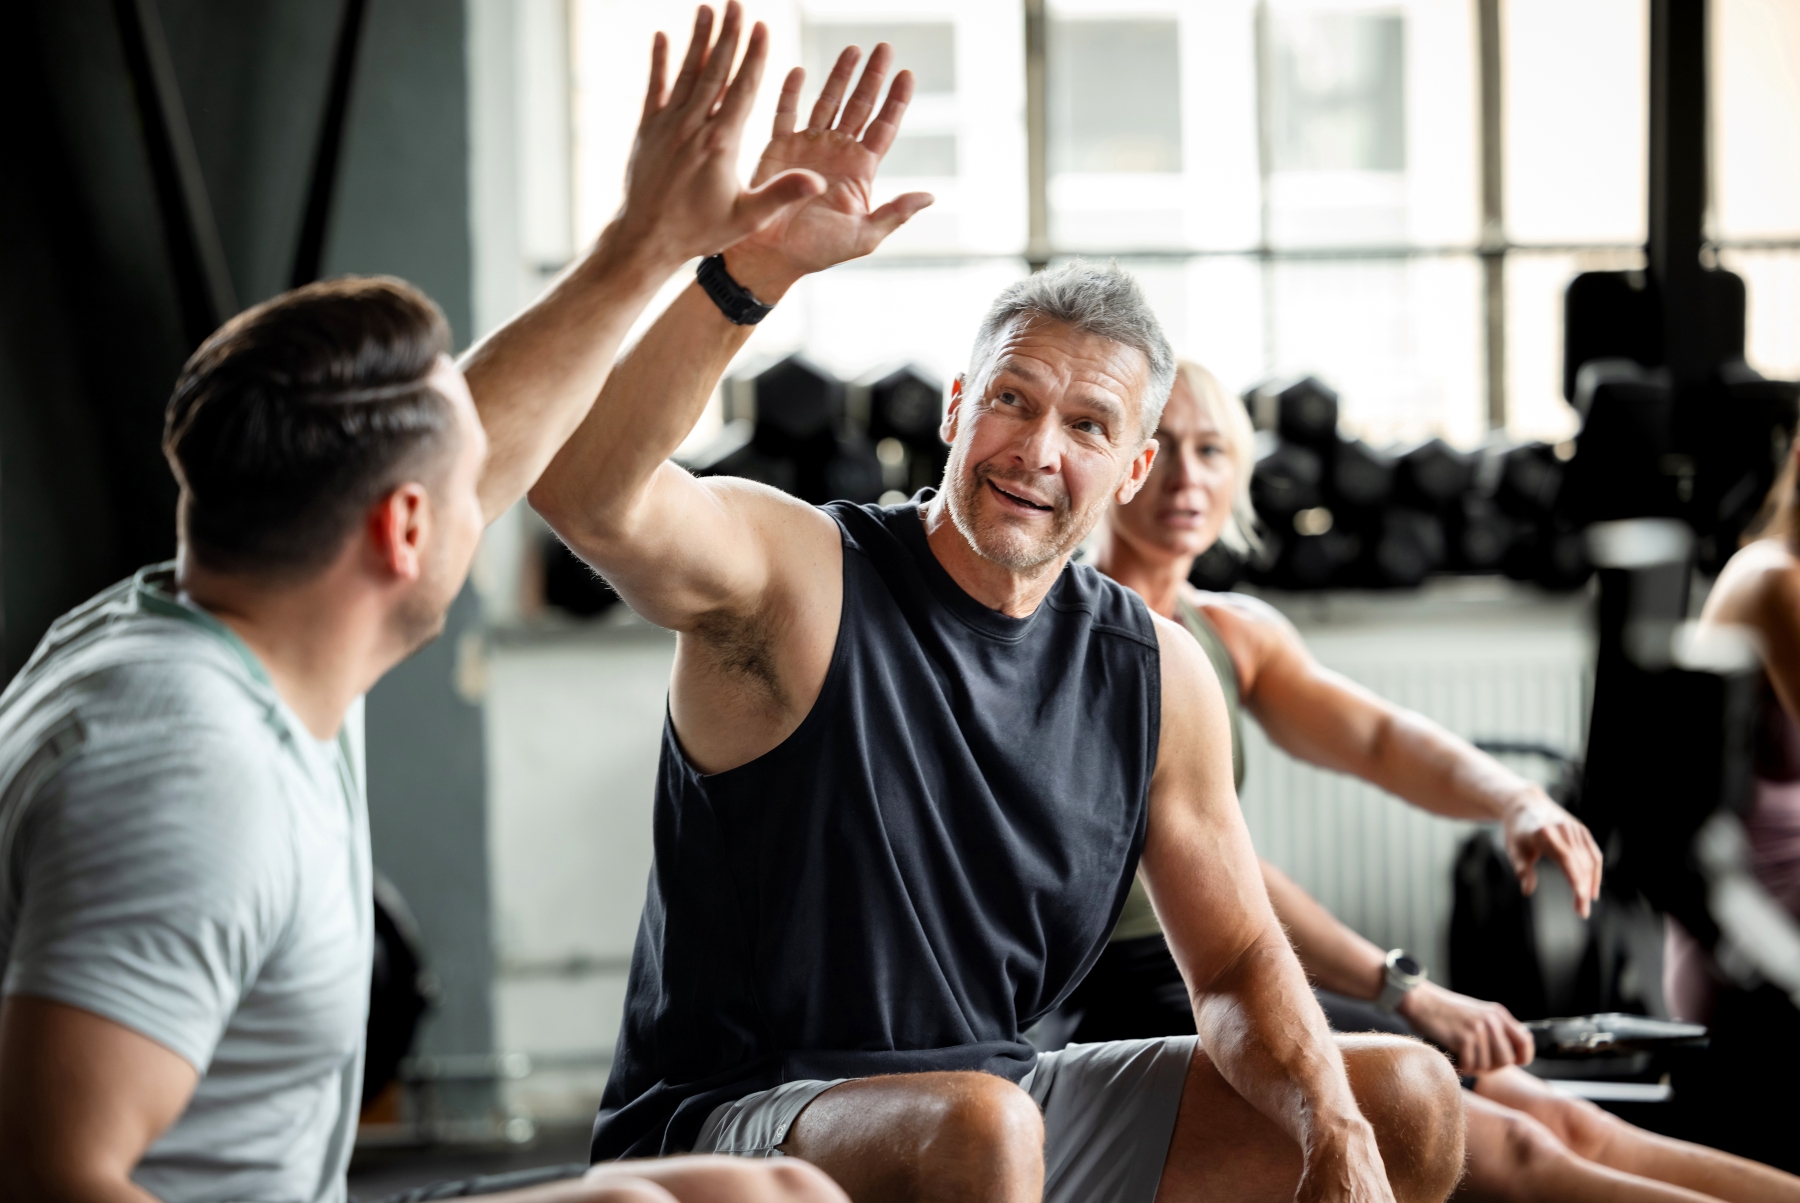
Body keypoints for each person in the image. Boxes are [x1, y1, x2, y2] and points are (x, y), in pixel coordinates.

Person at [528, 36, 1467, 1199]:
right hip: (738, 1118)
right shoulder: (803, 573)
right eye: (1013, 401)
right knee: (983, 1129)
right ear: (957, 411)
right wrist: (745, 273)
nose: (1037, 450)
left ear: (1129, 471)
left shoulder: (1154, 671)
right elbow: (585, 492)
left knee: (1407, 1103)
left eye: (1087, 426)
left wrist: (1333, 1129)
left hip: (1000, 1105)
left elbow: (1228, 964)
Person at [0, 8, 848, 1202]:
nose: (489, 495)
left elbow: (466, 439)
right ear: (401, 531)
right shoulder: (189, 772)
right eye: (465, 489)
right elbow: (53, 1180)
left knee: (762, 1197)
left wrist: (650, 245)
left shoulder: (222, 625)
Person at [1069, 356, 1800, 1203]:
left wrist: (1516, 799)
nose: (1187, 476)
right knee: (1520, 1151)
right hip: (1149, 988)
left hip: (1251, 968)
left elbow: (1381, 738)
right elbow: (1214, 870)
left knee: (1571, 1121)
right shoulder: (1084, 636)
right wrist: (1406, 987)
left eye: (1212, 450)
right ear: (1124, 463)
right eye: (1164, 446)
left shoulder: (1230, 630)